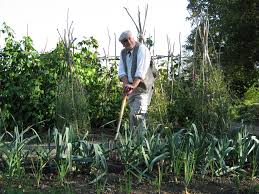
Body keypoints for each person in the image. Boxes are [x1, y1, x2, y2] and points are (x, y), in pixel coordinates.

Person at [118, 30, 155, 133]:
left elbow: (140, 71)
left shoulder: (142, 49)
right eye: (122, 43)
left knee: (138, 114)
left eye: (125, 41)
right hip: (131, 87)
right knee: (133, 115)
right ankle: (134, 141)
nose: (124, 45)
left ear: (131, 38)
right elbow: (122, 71)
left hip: (143, 87)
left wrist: (133, 86)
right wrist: (126, 85)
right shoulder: (123, 52)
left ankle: (141, 142)